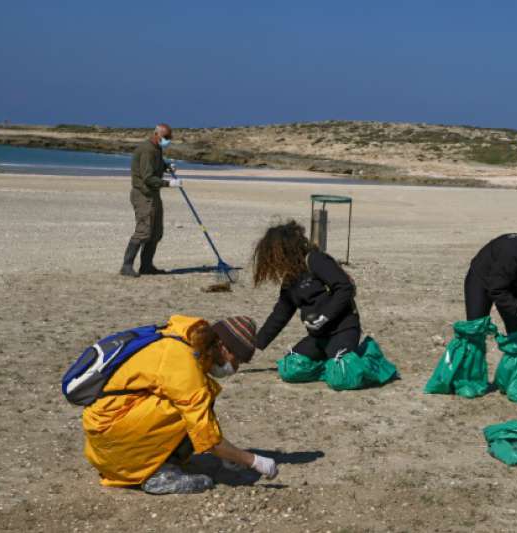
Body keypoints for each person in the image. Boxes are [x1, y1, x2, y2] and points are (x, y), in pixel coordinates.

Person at [82, 315, 278, 494]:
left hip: (104, 442)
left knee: (195, 401)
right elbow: (207, 437)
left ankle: (157, 461)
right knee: (190, 407)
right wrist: (253, 461)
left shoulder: (181, 340)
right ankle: (155, 474)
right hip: (114, 445)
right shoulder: (184, 364)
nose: (234, 368)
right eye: (237, 360)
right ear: (223, 347)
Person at [253, 220, 360, 361]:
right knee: (290, 366)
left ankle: (369, 358)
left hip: (343, 330)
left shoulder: (315, 260)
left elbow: (345, 288)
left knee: (341, 374)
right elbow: (280, 315)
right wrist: (254, 345)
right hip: (318, 338)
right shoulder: (290, 280)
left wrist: (324, 316)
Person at [120, 124, 182, 277]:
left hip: (153, 194)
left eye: (169, 138)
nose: (167, 140)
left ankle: (146, 266)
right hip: (143, 195)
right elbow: (147, 178)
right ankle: (126, 266)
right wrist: (168, 183)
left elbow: (155, 167)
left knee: (155, 232)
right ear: (156, 134)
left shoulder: (156, 148)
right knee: (144, 231)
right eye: (166, 137)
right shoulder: (147, 149)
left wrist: (166, 167)